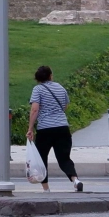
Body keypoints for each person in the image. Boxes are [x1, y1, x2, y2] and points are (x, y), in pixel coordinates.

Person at [27, 65, 82, 193]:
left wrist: (30, 128)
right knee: (64, 158)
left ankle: (46, 189)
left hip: (45, 129)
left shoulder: (38, 89)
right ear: (50, 76)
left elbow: (35, 109)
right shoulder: (60, 87)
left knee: (41, 159)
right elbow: (65, 105)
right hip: (62, 127)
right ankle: (75, 180)